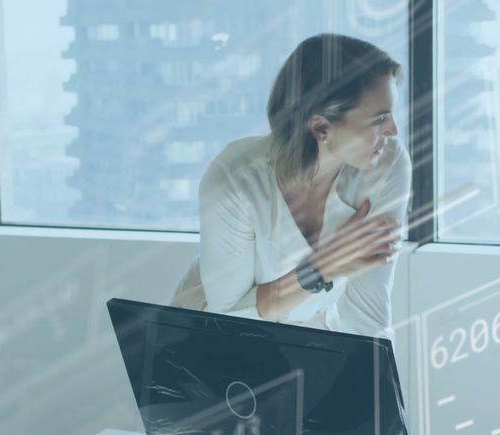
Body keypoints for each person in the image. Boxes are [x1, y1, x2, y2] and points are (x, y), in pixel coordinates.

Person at [172, 34, 409, 339]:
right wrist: (323, 267)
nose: (392, 130)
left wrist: (378, 383)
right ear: (322, 127)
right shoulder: (235, 178)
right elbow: (230, 317)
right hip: (208, 341)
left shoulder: (387, 164)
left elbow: (367, 314)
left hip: (303, 340)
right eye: (380, 118)